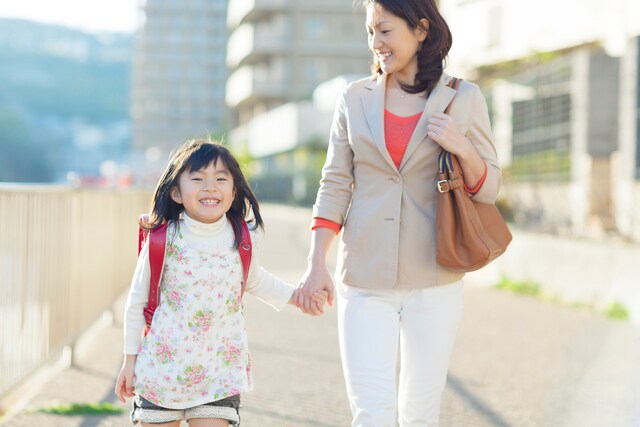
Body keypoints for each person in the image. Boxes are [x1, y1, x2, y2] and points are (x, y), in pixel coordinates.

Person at [296, 0, 501, 425]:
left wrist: (461, 146)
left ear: (421, 30)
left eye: (385, 31)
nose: (376, 43)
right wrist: (317, 263)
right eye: (371, 32)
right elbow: (335, 183)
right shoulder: (353, 99)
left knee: (420, 412)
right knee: (372, 412)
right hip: (365, 277)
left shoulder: (463, 97)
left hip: (435, 277)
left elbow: (490, 188)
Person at [115, 139, 327, 426]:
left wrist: (297, 296)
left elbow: (256, 280)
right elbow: (135, 303)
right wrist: (130, 360)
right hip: (162, 371)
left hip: (219, 371)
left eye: (220, 179)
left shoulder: (241, 238)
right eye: (198, 179)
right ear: (176, 193)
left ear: (233, 191)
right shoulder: (164, 239)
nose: (210, 187)